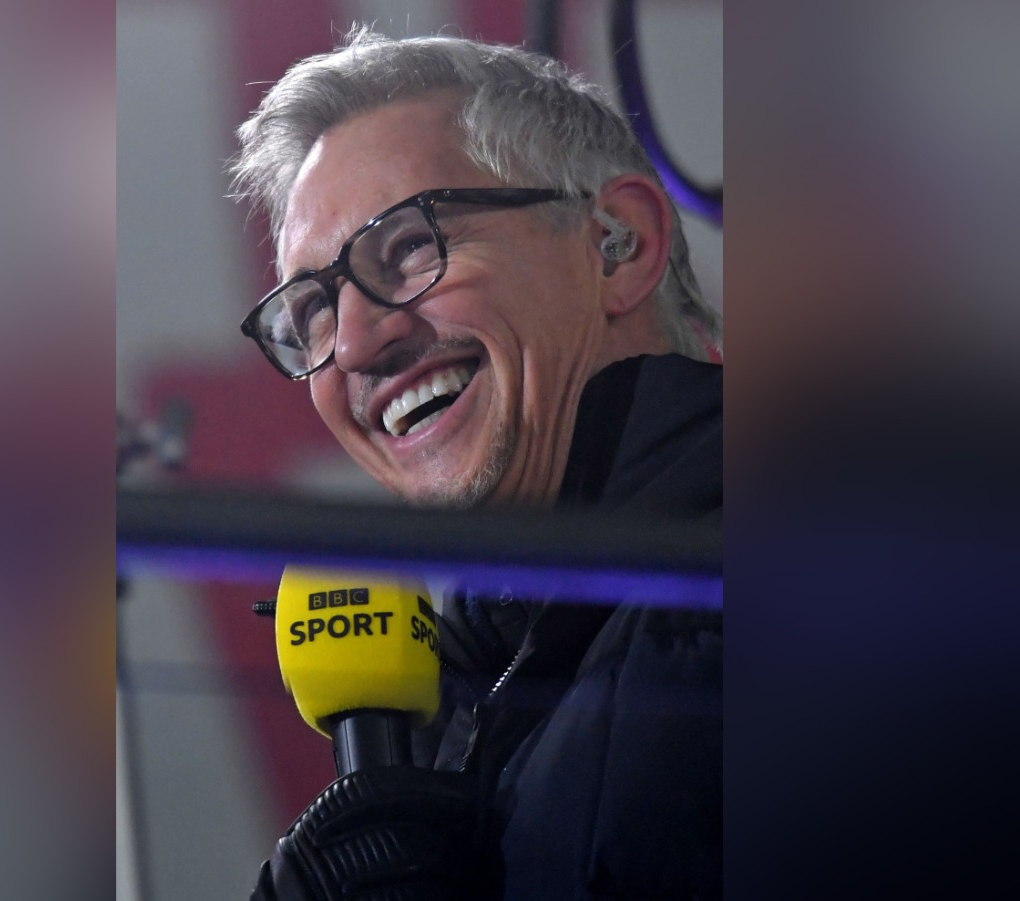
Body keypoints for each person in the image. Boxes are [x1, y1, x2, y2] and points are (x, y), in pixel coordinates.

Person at [231, 28, 722, 900]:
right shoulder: (461, 685)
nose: (352, 344)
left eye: (412, 248)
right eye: (311, 310)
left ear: (620, 243)